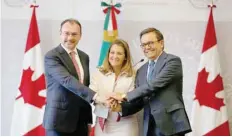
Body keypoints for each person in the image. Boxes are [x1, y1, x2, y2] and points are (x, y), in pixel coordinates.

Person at [108, 27, 192, 136]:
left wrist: (124, 95)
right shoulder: (141, 71)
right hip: (149, 125)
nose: (146, 47)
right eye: (143, 45)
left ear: (161, 43)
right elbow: (140, 101)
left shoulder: (172, 61)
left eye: (150, 43)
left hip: (170, 123)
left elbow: (154, 85)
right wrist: (120, 108)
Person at [42, 18, 96, 136]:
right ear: (60, 33)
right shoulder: (52, 56)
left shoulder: (84, 57)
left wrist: (88, 119)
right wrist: (96, 96)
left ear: (80, 36)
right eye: (66, 33)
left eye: (74, 34)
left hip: (81, 121)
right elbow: (67, 80)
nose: (70, 38)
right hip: (59, 122)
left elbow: (84, 85)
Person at [89, 39, 139, 136]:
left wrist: (118, 103)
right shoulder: (98, 72)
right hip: (103, 124)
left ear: (125, 57)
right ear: (108, 54)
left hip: (126, 124)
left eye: (119, 53)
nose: (114, 56)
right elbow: (91, 94)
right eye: (112, 52)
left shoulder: (134, 74)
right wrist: (104, 100)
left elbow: (135, 97)